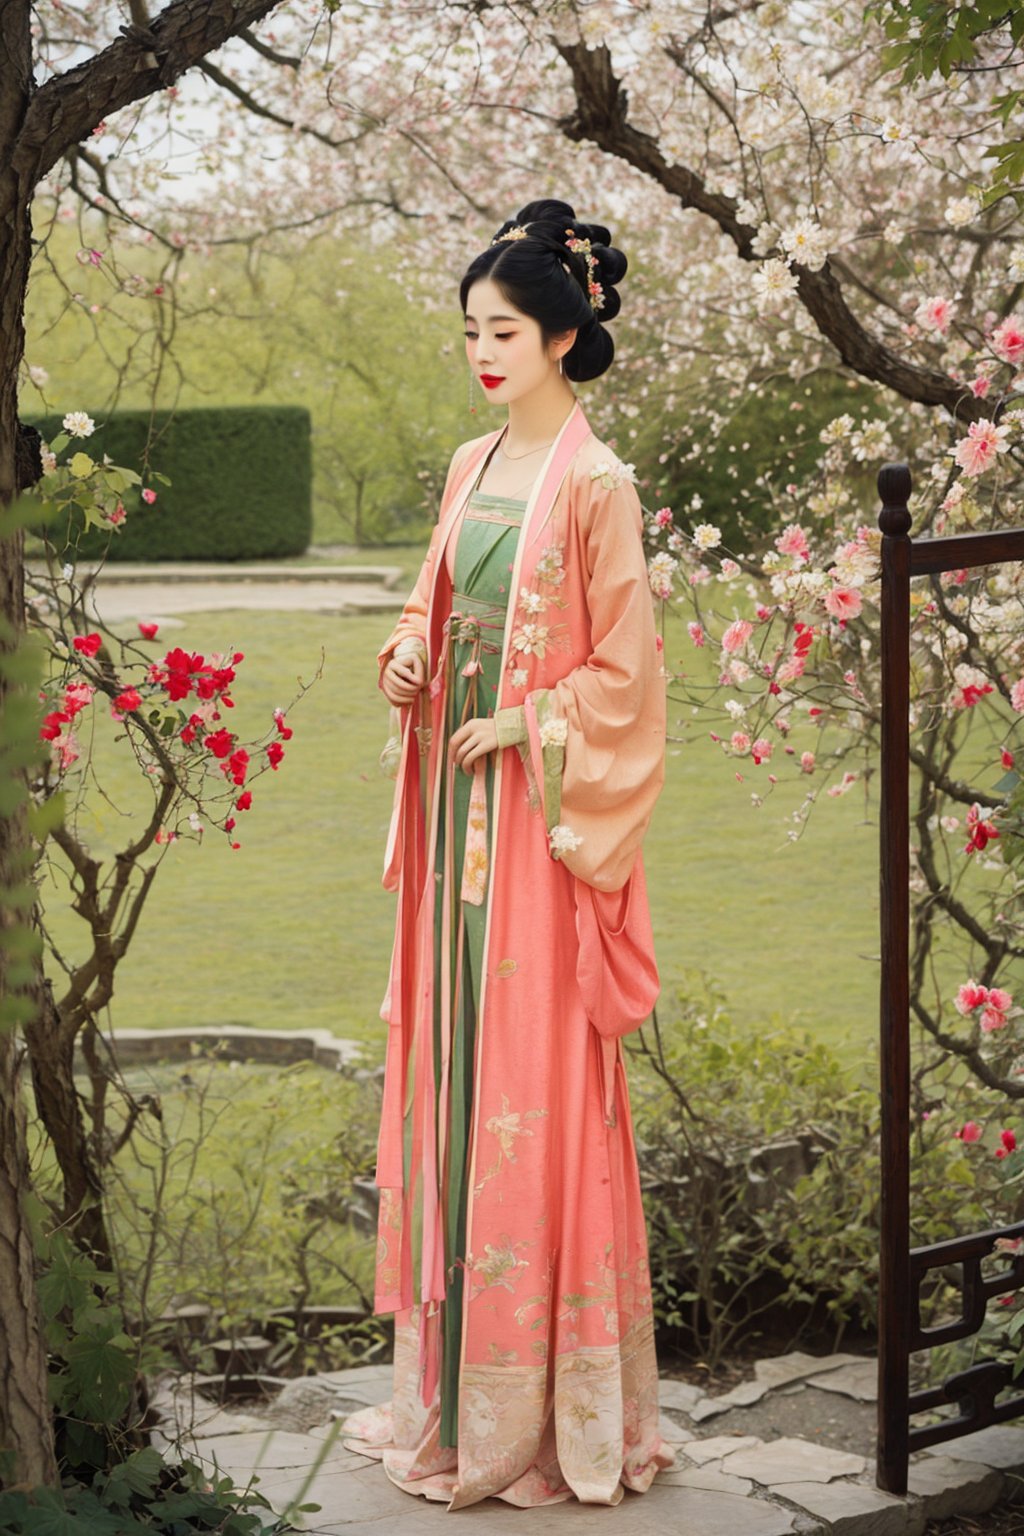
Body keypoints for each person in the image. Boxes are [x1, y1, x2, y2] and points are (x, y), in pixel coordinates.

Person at [340, 198, 676, 1509]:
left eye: (506, 329)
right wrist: (412, 656)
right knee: (450, 1075)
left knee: (524, 1086)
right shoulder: (472, 464)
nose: (483, 349)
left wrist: (528, 719)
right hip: (449, 824)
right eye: (472, 328)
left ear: (562, 333)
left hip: (535, 826)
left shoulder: (597, 485)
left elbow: (629, 678)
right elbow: (430, 609)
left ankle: (543, 1409)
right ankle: (448, 1390)